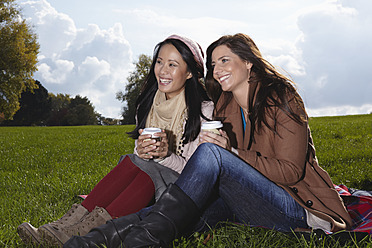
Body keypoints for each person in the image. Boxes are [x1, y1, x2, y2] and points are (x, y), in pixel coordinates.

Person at [64, 33, 353, 248]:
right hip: (245, 201)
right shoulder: (224, 105)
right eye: (214, 64)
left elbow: (291, 172)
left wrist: (232, 152)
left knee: (212, 154)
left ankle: (143, 242)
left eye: (225, 60)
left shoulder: (282, 97)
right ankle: (92, 241)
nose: (217, 69)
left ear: (249, 63)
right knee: (182, 213)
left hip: (295, 207)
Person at [17, 34, 213, 247]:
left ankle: (86, 233)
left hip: (180, 194)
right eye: (159, 61)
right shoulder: (147, 105)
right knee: (133, 161)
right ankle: (63, 227)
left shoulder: (204, 112)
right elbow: (141, 158)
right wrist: (142, 150)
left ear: (190, 73)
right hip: (148, 179)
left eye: (173, 64)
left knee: (145, 170)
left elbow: (199, 178)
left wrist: (165, 156)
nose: (163, 70)